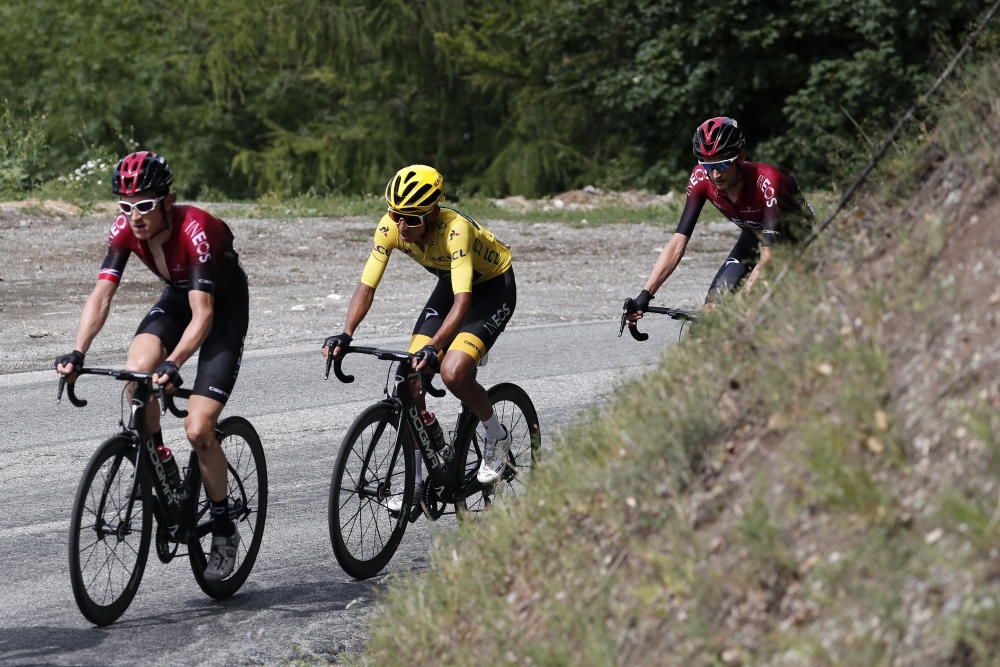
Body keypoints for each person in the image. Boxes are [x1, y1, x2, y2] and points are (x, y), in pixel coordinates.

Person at [54, 151, 249, 581]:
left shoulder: (195, 230)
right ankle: (160, 457)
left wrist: (176, 362)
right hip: (178, 298)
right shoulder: (125, 229)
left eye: (144, 205)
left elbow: (204, 316)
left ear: (167, 200)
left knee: (199, 429)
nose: (135, 216)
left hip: (220, 310)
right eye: (125, 206)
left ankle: (222, 526)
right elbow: (101, 294)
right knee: (135, 372)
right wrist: (77, 352)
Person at [322, 164, 516, 501]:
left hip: (491, 288)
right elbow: (367, 287)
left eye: (411, 219)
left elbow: (463, 302)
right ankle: (415, 481)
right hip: (452, 284)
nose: (400, 225)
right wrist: (346, 333)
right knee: (410, 377)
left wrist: (437, 348)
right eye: (396, 215)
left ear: (433, 213)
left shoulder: (455, 230)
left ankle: (497, 437)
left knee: (452, 372)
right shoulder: (391, 228)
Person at [628, 116, 814, 318]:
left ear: (740, 156)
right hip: (753, 237)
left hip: (800, 243)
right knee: (712, 313)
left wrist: (741, 305)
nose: (715, 174)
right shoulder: (701, 179)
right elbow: (677, 243)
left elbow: (770, 257)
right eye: (707, 166)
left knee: (752, 313)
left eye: (723, 165)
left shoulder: (768, 181)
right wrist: (645, 295)